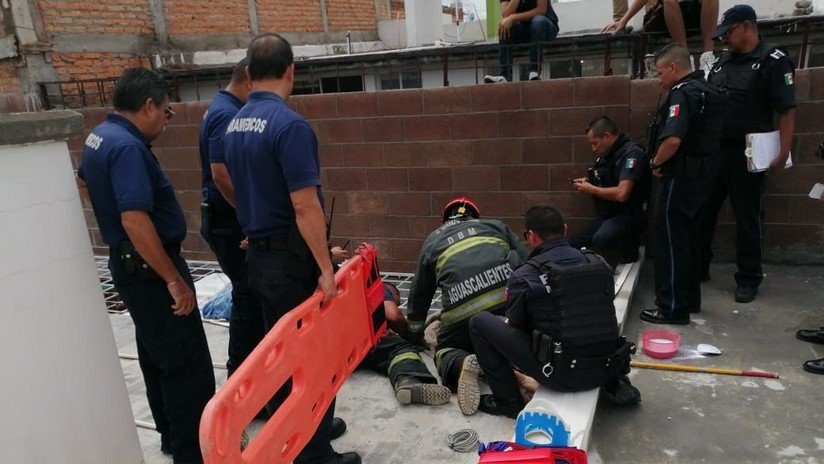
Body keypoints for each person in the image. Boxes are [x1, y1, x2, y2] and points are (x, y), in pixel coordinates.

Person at [222, 33, 359, 464]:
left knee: (283, 359)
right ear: (291, 71)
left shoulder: (235, 125)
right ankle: (314, 454)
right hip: (288, 262)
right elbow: (304, 206)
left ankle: (305, 431)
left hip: (259, 258)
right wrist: (325, 268)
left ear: (248, 73)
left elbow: (244, 189)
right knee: (314, 360)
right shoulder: (290, 126)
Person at [77, 67, 215, 464]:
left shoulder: (99, 136)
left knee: (157, 356)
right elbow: (135, 219)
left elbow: (86, 180)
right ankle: (195, 454)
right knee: (185, 365)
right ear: (149, 105)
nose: (167, 123)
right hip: (151, 270)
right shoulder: (127, 147)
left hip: (129, 265)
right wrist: (173, 280)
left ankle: (172, 438)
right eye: (167, 113)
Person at [465, 205, 640, 418]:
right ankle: (616, 382)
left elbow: (516, 324)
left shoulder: (525, 275)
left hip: (563, 375)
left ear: (530, 236)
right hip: (607, 366)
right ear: (565, 229)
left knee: (479, 322)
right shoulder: (598, 262)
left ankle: (509, 402)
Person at [700, 4, 796, 304]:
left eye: (728, 32)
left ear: (746, 26)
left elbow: (786, 109)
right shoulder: (721, 64)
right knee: (703, 212)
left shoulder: (773, 61)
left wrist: (783, 150)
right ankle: (699, 266)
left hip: (749, 153)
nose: (725, 39)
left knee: (748, 218)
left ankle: (748, 278)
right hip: (715, 151)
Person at [405, 196, 529, 415]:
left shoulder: (432, 241)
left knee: (443, 348)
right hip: (506, 308)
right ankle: (512, 356)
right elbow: (528, 260)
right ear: (474, 215)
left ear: (444, 219)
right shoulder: (495, 225)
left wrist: (414, 333)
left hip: (462, 317)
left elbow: (419, 293)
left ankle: (461, 363)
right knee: (515, 331)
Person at [640, 43, 726, 325]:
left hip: (681, 178)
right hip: (703, 178)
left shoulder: (682, 94)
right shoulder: (706, 90)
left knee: (669, 242)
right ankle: (689, 300)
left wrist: (655, 163)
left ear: (674, 68)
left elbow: (673, 139)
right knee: (689, 240)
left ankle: (671, 308)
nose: (658, 78)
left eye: (660, 72)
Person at [198, 58, 265, 381]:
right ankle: (240, 382)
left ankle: (250, 382)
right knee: (249, 300)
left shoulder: (221, 107)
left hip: (225, 218)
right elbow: (220, 172)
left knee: (251, 298)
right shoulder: (227, 113)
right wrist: (250, 215)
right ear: (249, 81)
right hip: (229, 222)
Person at [570, 116, 650, 266]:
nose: (594, 149)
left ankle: (626, 252)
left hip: (628, 216)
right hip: (607, 215)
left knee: (602, 238)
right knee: (572, 244)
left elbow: (621, 194)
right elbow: (607, 181)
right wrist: (588, 182)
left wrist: (592, 189)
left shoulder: (632, 153)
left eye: (595, 143)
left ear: (607, 136)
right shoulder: (607, 156)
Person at [358, 283, 452, 405]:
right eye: (397, 302)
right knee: (401, 349)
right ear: (393, 292)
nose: (399, 307)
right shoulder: (380, 287)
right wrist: (407, 334)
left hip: (337, 354)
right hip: (363, 339)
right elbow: (393, 316)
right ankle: (408, 381)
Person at [603, 0, 719, 74]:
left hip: (690, 11)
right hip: (661, 14)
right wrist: (623, 20)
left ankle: (708, 56)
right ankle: (684, 56)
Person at [484, 0, 559, 83]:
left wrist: (513, 17)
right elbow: (506, 15)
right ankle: (504, 75)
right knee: (504, 25)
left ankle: (534, 71)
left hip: (546, 27)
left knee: (538, 21)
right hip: (525, 29)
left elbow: (541, 10)